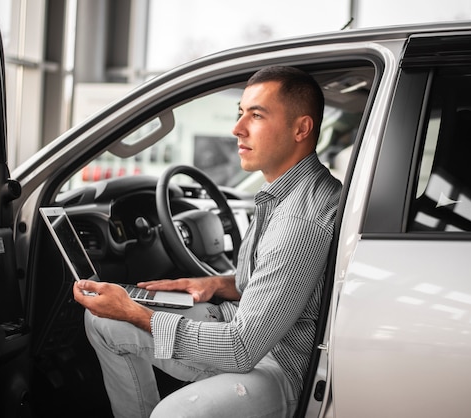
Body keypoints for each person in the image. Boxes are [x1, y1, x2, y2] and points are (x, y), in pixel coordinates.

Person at [73, 66, 342, 418]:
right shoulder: (282, 193)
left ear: (301, 129)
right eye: (240, 113)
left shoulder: (300, 220)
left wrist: (135, 312)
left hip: (281, 364)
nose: (237, 128)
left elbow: (242, 348)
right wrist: (216, 283)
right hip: (251, 329)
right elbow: (281, 286)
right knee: (102, 320)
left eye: (256, 115)